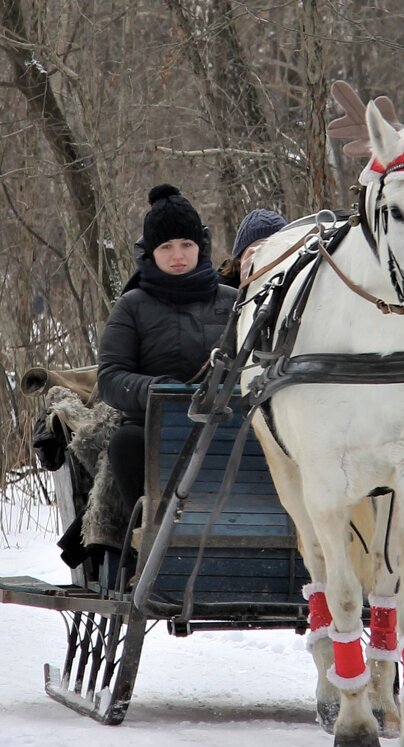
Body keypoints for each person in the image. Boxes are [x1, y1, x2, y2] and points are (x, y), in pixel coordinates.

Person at [97, 184, 237, 517]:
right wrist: (158, 391)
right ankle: (145, 538)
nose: (178, 255)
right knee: (124, 444)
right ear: (150, 251)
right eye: (167, 246)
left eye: (186, 244)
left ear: (200, 246)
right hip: (151, 429)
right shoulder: (131, 306)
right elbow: (110, 378)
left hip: (228, 422)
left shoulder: (234, 301)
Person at [218, 208, 287, 287]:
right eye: (256, 252)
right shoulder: (218, 295)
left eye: (275, 252)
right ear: (239, 261)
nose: (264, 261)